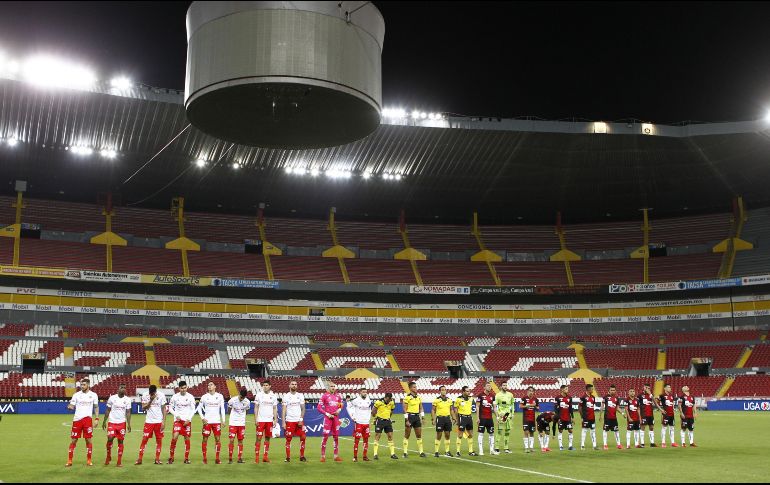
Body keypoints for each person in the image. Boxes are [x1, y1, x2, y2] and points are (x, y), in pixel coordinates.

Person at [66, 377, 99, 467]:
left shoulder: (93, 395)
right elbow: (72, 405)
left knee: (88, 440)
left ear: (88, 385)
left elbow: (96, 407)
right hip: (77, 420)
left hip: (87, 420)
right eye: (81, 385)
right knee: (74, 440)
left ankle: (89, 460)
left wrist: (96, 419)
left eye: (84, 385)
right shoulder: (76, 395)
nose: (82, 386)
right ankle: (69, 460)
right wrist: (69, 407)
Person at [136, 384, 167, 465]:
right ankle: (139, 459)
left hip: (158, 421)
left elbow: (164, 409)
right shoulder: (145, 395)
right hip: (149, 421)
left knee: (159, 440)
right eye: (150, 393)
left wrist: (163, 421)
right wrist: (150, 400)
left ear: (155, 391)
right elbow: (143, 407)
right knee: (144, 439)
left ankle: (157, 459)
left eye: (152, 393)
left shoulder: (161, 395)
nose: (151, 394)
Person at [196, 381, 226, 464]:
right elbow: (199, 408)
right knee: (205, 439)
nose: (209, 386)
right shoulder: (204, 397)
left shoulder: (220, 396)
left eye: (211, 385)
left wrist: (223, 420)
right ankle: (204, 458)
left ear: (215, 386)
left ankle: (217, 458)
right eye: (208, 385)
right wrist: (202, 418)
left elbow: (222, 409)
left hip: (216, 421)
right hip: (207, 422)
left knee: (217, 439)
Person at [103, 383, 132, 467]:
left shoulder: (127, 400)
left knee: (120, 441)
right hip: (112, 422)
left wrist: (129, 424)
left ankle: (119, 461)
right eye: (121, 387)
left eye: (124, 388)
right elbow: (108, 410)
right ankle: (108, 456)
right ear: (118, 389)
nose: (123, 389)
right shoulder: (112, 398)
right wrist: (104, 421)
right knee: (110, 439)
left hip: (122, 423)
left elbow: (128, 412)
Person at [168, 380, 196, 464]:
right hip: (178, 420)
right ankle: (171, 457)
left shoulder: (190, 397)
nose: (183, 389)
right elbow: (170, 408)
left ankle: (186, 458)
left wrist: (189, 419)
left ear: (187, 387)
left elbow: (193, 409)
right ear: (179, 388)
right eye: (182, 388)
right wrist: (176, 415)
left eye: (185, 388)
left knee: (187, 438)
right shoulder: (175, 397)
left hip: (187, 421)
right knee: (175, 437)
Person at [317, 381, 345, 462]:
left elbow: (341, 404)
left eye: (334, 386)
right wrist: (327, 414)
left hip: (336, 418)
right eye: (331, 386)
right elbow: (319, 407)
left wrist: (339, 410)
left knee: (336, 436)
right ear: (328, 387)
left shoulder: (338, 395)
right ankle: (323, 456)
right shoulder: (324, 396)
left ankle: (336, 456)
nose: (333, 388)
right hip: (328, 418)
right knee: (325, 436)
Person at [282, 380, 307, 462]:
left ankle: (302, 456)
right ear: (289, 385)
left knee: (303, 437)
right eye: (292, 384)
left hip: (299, 420)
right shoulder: (286, 396)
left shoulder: (300, 395)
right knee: (288, 439)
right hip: (290, 420)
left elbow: (303, 409)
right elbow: (284, 410)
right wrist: (283, 422)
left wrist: (301, 419)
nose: (294, 385)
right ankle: (288, 457)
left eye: (295, 384)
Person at [254, 380, 278, 463]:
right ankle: (257, 457)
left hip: (269, 421)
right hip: (260, 420)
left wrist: (275, 419)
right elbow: (256, 407)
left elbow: (274, 408)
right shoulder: (259, 395)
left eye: (266, 385)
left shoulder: (273, 396)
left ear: (270, 386)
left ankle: (265, 457)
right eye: (264, 385)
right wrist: (256, 419)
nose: (265, 386)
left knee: (267, 438)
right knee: (258, 438)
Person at [227, 388, 251, 464]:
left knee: (240, 440)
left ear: (245, 396)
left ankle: (239, 458)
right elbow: (229, 410)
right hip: (233, 423)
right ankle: (230, 458)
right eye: (241, 397)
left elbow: (247, 411)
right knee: (231, 440)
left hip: (241, 423)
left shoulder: (247, 402)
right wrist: (233, 416)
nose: (241, 399)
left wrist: (241, 417)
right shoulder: (232, 400)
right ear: (239, 394)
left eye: (243, 397)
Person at [348, 387, 373, 462]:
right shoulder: (356, 400)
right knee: (357, 440)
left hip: (366, 423)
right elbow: (349, 406)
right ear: (360, 393)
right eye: (363, 392)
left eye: (366, 392)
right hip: (359, 423)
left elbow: (369, 410)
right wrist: (352, 416)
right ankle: (355, 457)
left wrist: (368, 419)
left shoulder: (369, 400)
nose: (365, 393)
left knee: (366, 440)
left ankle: (365, 456)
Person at [402, 381, 425, 458]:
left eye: (416, 387)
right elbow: (404, 409)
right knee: (407, 435)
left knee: (419, 435)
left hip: (417, 417)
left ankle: (421, 452)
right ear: (410, 388)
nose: (416, 388)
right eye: (414, 387)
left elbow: (421, 408)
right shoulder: (407, 397)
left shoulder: (419, 397)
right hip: (410, 417)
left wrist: (423, 417)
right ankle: (405, 453)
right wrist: (406, 420)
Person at [372, 393, 398, 460]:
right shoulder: (378, 402)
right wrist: (375, 418)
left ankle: (392, 454)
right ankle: (375, 454)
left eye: (390, 399)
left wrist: (389, 417)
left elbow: (391, 411)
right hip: (380, 421)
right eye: (388, 399)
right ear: (385, 397)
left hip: (387, 421)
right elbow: (373, 411)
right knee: (377, 436)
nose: (389, 401)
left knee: (390, 436)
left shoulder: (391, 402)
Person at [453, 385, 476, 456]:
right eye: (467, 391)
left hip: (469, 418)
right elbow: (455, 409)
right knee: (460, 435)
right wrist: (457, 419)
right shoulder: (458, 399)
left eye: (469, 391)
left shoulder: (471, 398)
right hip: (462, 417)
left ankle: (471, 451)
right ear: (463, 392)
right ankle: (458, 452)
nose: (469, 392)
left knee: (470, 435)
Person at [431, 385, 454, 457]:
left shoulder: (449, 400)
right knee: (439, 435)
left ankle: (447, 451)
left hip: (447, 419)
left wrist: (454, 418)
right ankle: (436, 451)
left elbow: (451, 410)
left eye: (445, 390)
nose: (444, 391)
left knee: (447, 435)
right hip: (440, 419)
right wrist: (433, 419)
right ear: (440, 391)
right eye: (442, 390)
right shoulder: (436, 400)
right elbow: (433, 410)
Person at [494, 381, 515, 454]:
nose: (505, 386)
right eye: (503, 385)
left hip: (508, 415)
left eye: (506, 385)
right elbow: (495, 406)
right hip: (501, 416)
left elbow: (512, 405)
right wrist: (497, 415)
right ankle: (496, 447)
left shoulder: (510, 394)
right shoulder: (498, 395)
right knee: (499, 431)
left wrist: (512, 413)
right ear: (501, 386)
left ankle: (506, 448)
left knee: (507, 432)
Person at [476, 381, 497, 456]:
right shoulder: (480, 395)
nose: (489, 387)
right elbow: (477, 406)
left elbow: (494, 407)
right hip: (482, 418)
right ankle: (481, 450)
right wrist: (477, 418)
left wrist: (497, 416)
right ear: (484, 387)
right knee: (481, 433)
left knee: (491, 433)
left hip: (490, 418)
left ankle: (492, 450)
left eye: (490, 386)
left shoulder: (493, 396)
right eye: (488, 386)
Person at [601, 384, 623, 450]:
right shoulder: (605, 397)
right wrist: (600, 415)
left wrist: (622, 413)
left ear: (615, 391)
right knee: (605, 430)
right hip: (607, 417)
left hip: (614, 418)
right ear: (609, 391)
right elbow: (602, 406)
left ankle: (619, 444)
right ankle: (605, 445)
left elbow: (617, 408)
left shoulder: (617, 398)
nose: (612, 391)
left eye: (614, 390)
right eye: (611, 390)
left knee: (616, 431)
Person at [554, 384, 574, 451]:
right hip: (561, 417)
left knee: (570, 430)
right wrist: (558, 418)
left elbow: (570, 408)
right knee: (560, 430)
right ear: (562, 390)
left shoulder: (569, 398)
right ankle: (561, 446)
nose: (567, 390)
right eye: (566, 389)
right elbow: (556, 409)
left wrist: (572, 417)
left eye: (567, 389)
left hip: (568, 418)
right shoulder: (557, 398)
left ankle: (570, 446)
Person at [579, 383, 598, 451]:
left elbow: (592, 407)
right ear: (588, 389)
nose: (593, 390)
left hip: (592, 418)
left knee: (593, 431)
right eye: (592, 389)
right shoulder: (583, 397)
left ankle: (594, 446)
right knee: (584, 431)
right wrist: (582, 417)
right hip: (585, 418)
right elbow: (580, 408)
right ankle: (582, 445)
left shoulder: (593, 397)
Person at [520, 386, 539, 453]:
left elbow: (538, 408)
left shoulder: (535, 399)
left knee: (532, 432)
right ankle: (526, 448)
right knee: (526, 432)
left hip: (532, 419)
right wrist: (528, 405)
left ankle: (531, 447)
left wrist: (535, 406)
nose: (531, 392)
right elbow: (520, 406)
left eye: (532, 391)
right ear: (527, 391)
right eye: (530, 390)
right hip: (526, 418)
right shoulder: (524, 398)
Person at [659, 383, 678, 448]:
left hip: (672, 414)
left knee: (672, 428)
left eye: (670, 387)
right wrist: (661, 409)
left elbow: (672, 404)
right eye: (668, 387)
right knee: (664, 428)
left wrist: (673, 410)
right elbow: (655, 402)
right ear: (665, 388)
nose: (670, 388)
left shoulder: (672, 396)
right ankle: (663, 442)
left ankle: (673, 442)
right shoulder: (662, 395)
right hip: (665, 414)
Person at [638, 383, 658, 447]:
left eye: (648, 388)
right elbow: (637, 406)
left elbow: (655, 403)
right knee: (643, 427)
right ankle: (642, 443)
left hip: (651, 414)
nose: (647, 389)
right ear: (643, 387)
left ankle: (652, 443)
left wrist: (650, 394)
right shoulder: (640, 395)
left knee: (651, 427)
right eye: (646, 387)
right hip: (643, 414)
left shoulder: (651, 395)